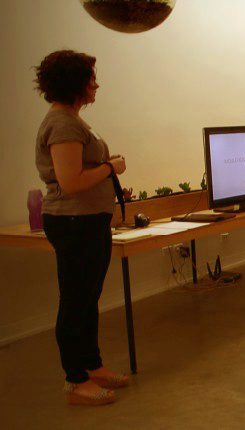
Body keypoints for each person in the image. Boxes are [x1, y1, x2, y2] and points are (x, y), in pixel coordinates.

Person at [33, 50, 129, 405]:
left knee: (87, 299)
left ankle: (92, 365)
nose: (96, 85)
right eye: (91, 79)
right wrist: (110, 168)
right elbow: (71, 182)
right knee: (76, 301)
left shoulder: (72, 121)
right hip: (74, 223)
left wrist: (106, 175)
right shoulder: (62, 125)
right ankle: (75, 380)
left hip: (88, 221)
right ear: (74, 83)